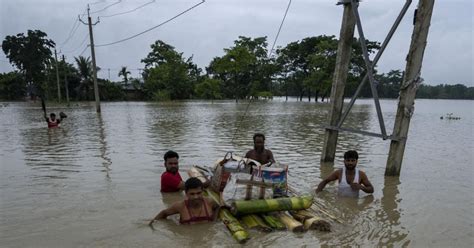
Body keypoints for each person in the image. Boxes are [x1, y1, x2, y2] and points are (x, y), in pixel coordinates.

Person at [149, 177, 218, 225]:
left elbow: (218, 207)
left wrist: (214, 221)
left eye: (198, 193)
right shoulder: (180, 206)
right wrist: (152, 224)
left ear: (202, 191)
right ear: (186, 193)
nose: (196, 197)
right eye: (192, 194)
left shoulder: (210, 202)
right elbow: (164, 213)